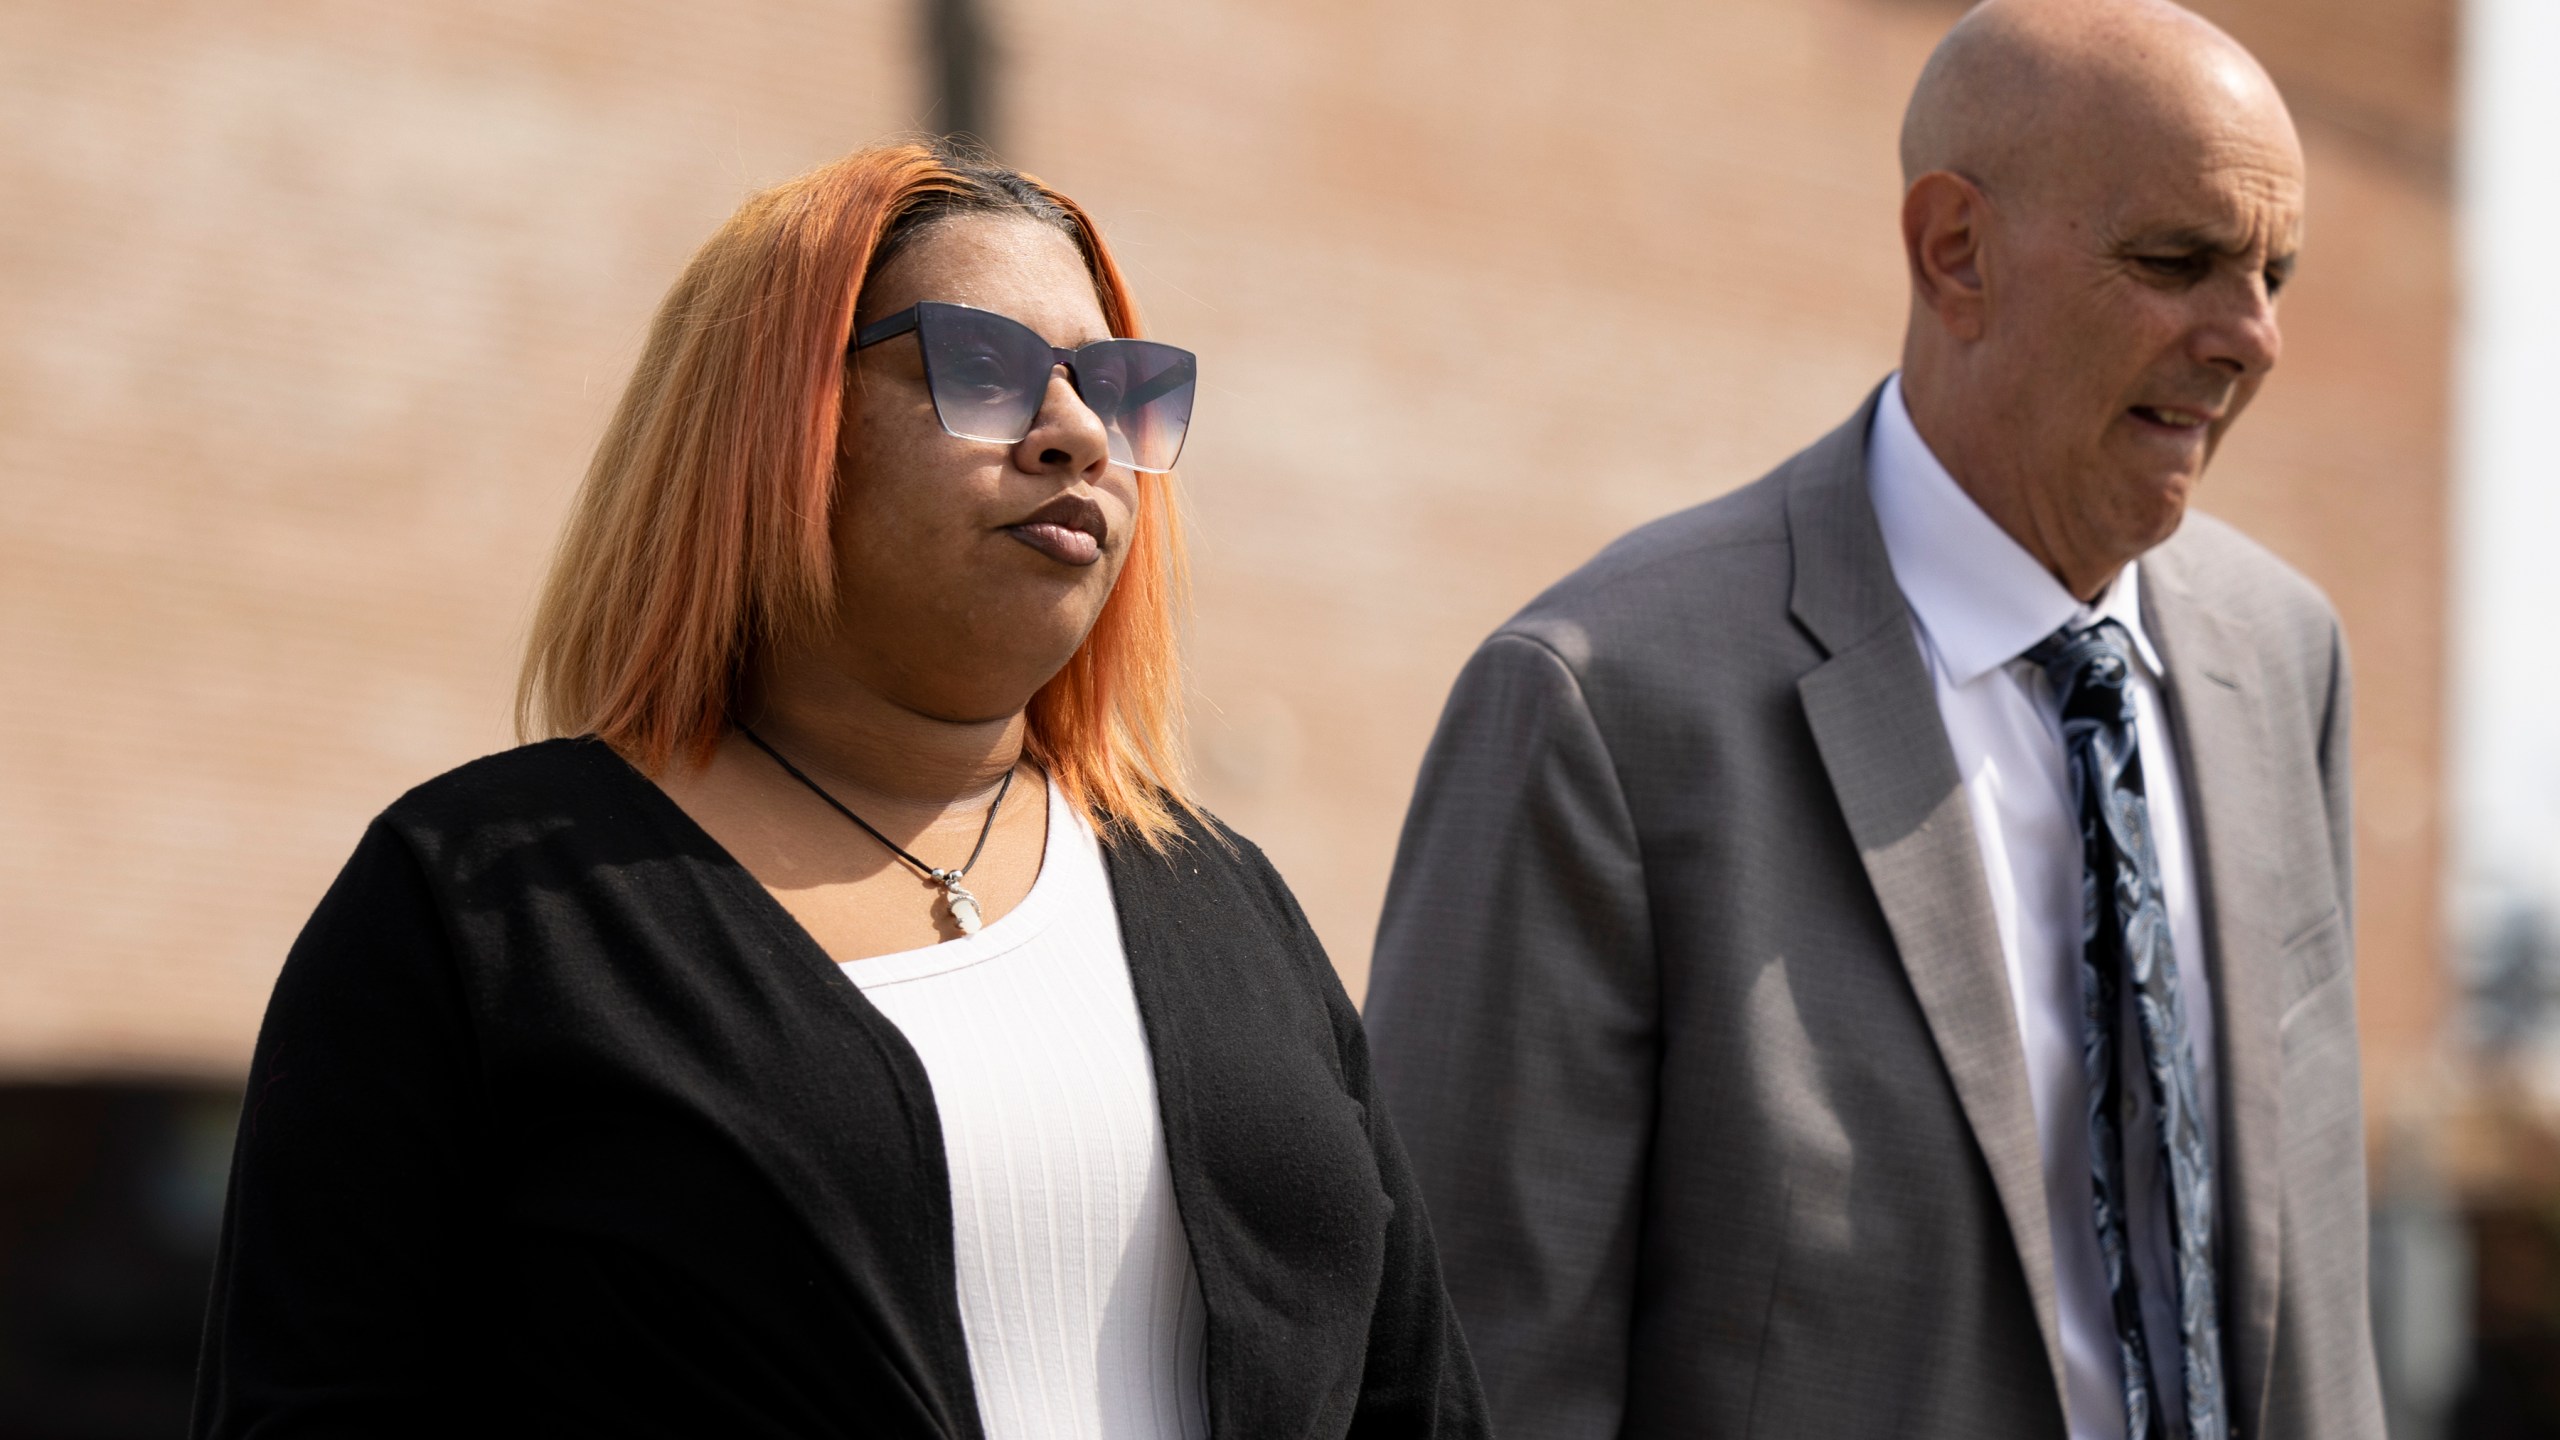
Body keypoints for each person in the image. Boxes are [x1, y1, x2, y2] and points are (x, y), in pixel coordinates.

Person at [192, 140, 1485, 1440]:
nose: (1079, 436)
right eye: (982, 367)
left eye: (1117, 388)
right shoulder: (484, 908)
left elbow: (1414, 1400)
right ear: (775, 421)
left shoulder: (1226, 904)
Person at [1363, 2, 2382, 1437]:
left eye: (2274, 272)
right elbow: (1480, 1374)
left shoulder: (2286, 659)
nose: (2253, 339)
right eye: (2178, 262)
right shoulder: (1604, 702)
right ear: (1953, 251)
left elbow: (2318, 1322)